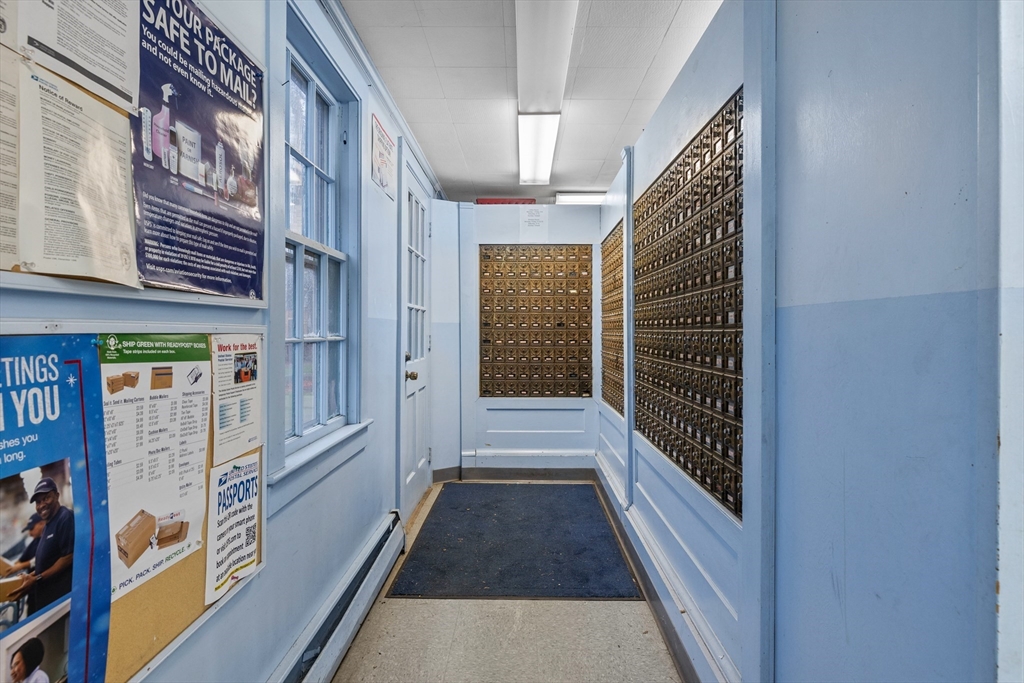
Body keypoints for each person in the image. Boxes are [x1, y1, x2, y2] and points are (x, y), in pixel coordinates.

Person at [8, 479, 74, 615]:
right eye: (38, 502)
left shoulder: (64, 517)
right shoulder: (48, 525)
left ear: (57, 495)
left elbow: (68, 557)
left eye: (46, 498)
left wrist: (37, 578)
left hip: (58, 601)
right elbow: (47, 561)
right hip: (46, 600)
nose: (41, 505)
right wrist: (30, 576)